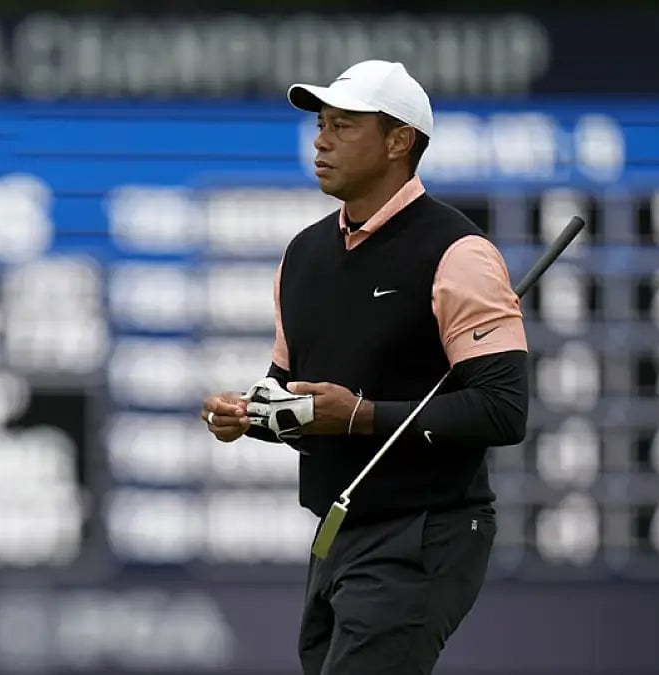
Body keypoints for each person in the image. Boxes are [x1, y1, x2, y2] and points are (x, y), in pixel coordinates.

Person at [200, 60, 530, 675]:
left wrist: (359, 417)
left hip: (428, 531)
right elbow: (291, 395)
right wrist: (249, 415)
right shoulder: (303, 255)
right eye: (321, 125)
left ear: (398, 140)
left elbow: (503, 409)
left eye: (343, 127)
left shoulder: (458, 254)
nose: (320, 141)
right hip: (337, 531)